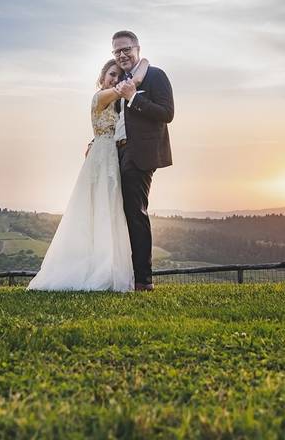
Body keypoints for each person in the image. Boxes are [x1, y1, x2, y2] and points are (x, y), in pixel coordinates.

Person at [26, 56, 150, 292]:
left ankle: (108, 267)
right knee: (97, 208)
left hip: (113, 156)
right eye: (111, 74)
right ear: (102, 78)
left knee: (111, 210)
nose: (115, 79)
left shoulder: (116, 104)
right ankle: (90, 269)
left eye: (117, 75)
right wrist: (143, 61)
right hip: (101, 159)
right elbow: (135, 79)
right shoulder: (101, 97)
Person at [110, 30, 174, 292]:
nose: (122, 55)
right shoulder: (120, 80)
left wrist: (134, 98)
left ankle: (143, 280)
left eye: (126, 49)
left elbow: (167, 113)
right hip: (118, 153)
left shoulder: (155, 75)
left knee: (136, 213)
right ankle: (123, 274)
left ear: (137, 48)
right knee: (122, 214)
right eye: (117, 51)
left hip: (141, 154)